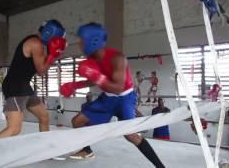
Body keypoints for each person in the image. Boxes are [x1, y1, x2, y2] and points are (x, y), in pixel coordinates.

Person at [61, 23, 165, 167]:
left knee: (130, 135)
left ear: (93, 41)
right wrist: (75, 85)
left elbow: (118, 88)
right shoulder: (92, 60)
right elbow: (94, 80)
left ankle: (160, 167)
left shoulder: (117, 58)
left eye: (81, 41)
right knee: (77, 121)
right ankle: (87, 150)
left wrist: (97, 76)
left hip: (125, 99)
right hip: (107, 98)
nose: (79, 44)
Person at [0, 19, 67, 138]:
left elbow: (40, 71)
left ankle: (46, 149)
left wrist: (53, 54)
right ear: (50, 34)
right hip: (15, 87)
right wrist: (53, 55)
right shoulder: (35, 44)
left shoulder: (38, 44)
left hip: (24, 86)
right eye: (56, 38)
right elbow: (42, 71)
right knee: (14, 129)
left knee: (44, 117)